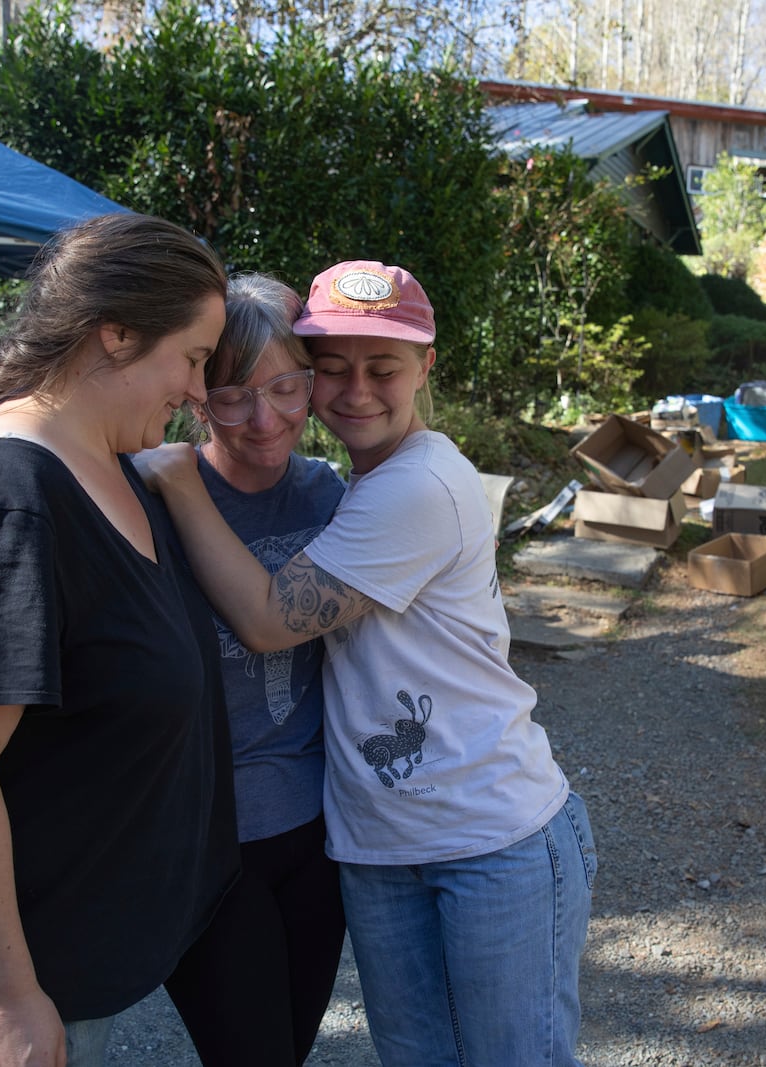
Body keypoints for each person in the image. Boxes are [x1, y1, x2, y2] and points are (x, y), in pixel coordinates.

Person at [136, 261, 596, 1067]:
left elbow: (271, 619)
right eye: (333, 371)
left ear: (426, 366)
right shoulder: (352, 485)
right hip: (375, 841)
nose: (353, 392)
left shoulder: (411, 486)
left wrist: (179, 482)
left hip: (489, 833)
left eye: (382, 368)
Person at [0, 213, 239, 1067]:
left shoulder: (111, 467)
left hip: (66, 970)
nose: (197, 391)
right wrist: (4, 996)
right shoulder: (4, 496)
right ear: (115, 335)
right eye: (190, 357)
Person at [160, 274, 348, 1066]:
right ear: (198, 397)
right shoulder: (156, 495)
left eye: (286, 387)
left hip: (316, 835)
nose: (264, 418)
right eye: (234, 395)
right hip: (204, 841)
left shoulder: (331, 496)